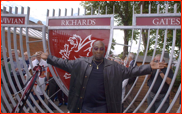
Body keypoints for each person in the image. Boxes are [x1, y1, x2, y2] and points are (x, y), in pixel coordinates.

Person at [40, 41, 166, 113]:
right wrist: (49, 58)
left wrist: (149, 67)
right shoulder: (81, 63)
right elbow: (64, 63)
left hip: (104, 108)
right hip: (84, 107)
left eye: (101, 49)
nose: (99, 51)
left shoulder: (114, 67)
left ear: (104, 51)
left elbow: (131, 71)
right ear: (92, 50)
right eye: (96, 48)